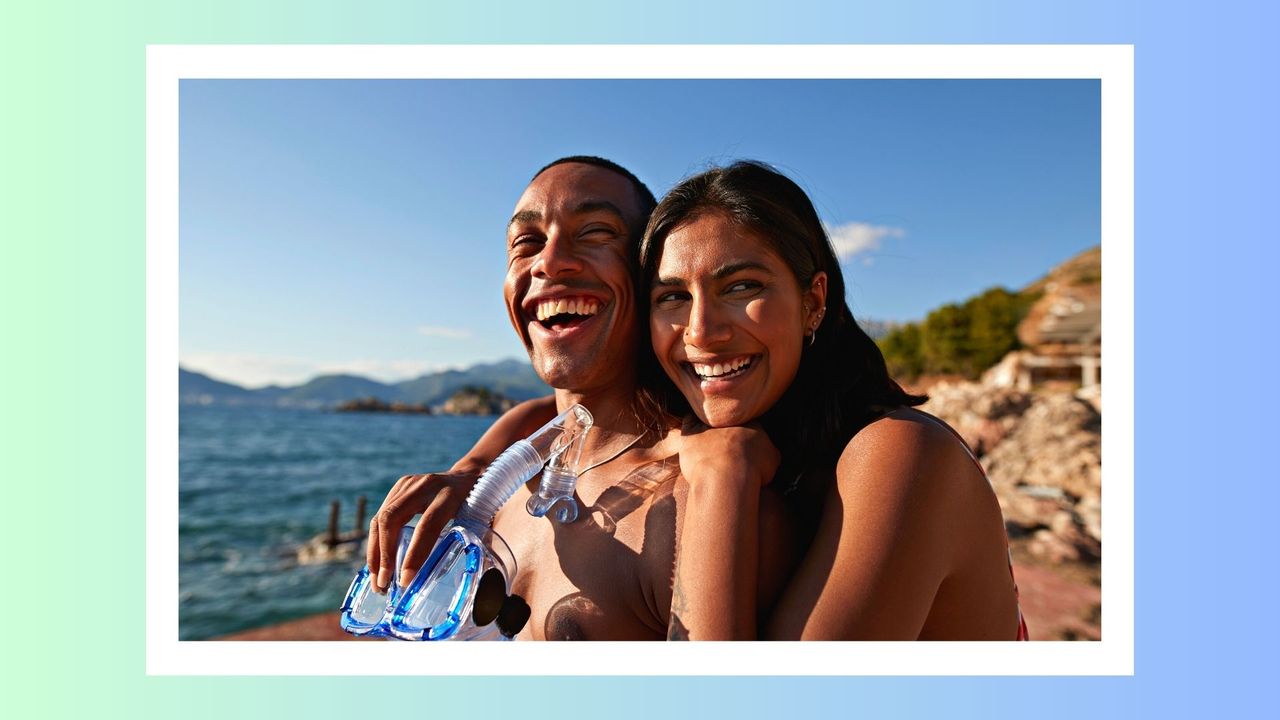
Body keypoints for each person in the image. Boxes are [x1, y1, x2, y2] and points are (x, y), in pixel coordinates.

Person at [365, 156, 794, 640]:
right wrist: (468, 471)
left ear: (651, 274)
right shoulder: (506, 460)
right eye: (526, 243)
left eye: (594, 233)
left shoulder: (706, 504)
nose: (548, 262)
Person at [638, 160, 1027, 639]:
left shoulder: (900, 453)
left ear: (813, 302)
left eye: (741, 287)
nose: (701, 331)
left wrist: (723, 479)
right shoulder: (763, 447)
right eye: (672, 297)